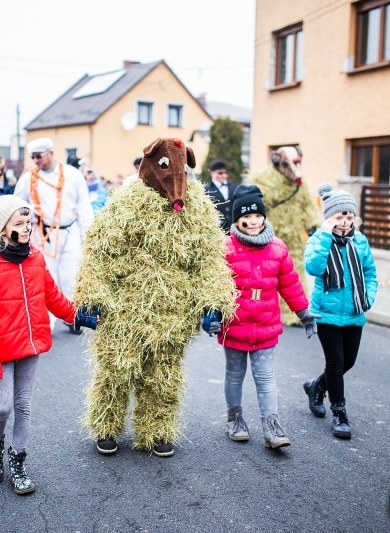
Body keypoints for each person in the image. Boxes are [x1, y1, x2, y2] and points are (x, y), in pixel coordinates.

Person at [74, 137, 237, 457]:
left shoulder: (199, 208)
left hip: (173, 312)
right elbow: (99, 254)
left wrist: (214, 302)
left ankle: (158, 429)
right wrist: (91, 296)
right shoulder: (124, 203)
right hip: (124, 308)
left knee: (163, 375)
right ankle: (107, 426)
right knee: (116, 371)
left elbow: (210, 261)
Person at [0, 194, 96, 495]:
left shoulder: (35, 258)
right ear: (2, 228)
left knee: (23, 406)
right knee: (1, 408)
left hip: (29, 345)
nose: (27, 228)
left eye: (29, 222)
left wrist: (80, 316)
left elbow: (52, 296)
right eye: (19, 223)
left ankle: (18, 462)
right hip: (0, 349)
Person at [217, 184, 317, 448]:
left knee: (265, 377)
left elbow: (290, 284)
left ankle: (272, 425)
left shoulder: (278, 248)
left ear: (264, 216)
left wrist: (303, 312)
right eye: (246, 217)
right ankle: (234, 419)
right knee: (235, 374)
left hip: (266, 325)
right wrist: (211, 314)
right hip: (234, 325)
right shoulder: (224, 248)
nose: (253, 222)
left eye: (257, 216)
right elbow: (213, 287)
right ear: (237, 219)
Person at [302, 183, 377, 439]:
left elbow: (370, 273)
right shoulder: (318, 240)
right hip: (326, 312)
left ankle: (316, 386)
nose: (344, 221)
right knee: (335, 363)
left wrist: (369, 296)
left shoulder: (360, 241)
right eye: (339, 216)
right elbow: (313, 267)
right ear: (329, 218)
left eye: (348, 216)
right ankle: (339, 414)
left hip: (355, 311)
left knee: (349, 362)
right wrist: (324, 236)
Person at [13, 137, 94, 332]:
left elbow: (84, 206)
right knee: (46, 278)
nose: (36, 161)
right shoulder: (28, 178)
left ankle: (73, 317)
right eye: (33, 157)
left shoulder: (73, 175)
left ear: (51, 153)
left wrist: (89, 235)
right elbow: (15, 205)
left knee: (71, 276)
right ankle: (46, 323)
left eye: (38, 156)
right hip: (42, 234)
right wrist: (31, 209)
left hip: (70, 232)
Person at [249, 146, 320, 326]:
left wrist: (313, 225)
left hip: (294, 236)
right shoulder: (262, 180)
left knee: (294, 274)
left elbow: (307, 205)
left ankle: (295, 312)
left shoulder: (299, 183)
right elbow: (256, 206)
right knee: (267, 275)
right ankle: (262, 311)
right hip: (270, 236)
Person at [203, 159, 233, 232]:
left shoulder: (234, 187)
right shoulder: (206, 190)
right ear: (212, 173)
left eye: (225, 173)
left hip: (233, 228)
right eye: (220, 173)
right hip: (216, 228)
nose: (224, 175)